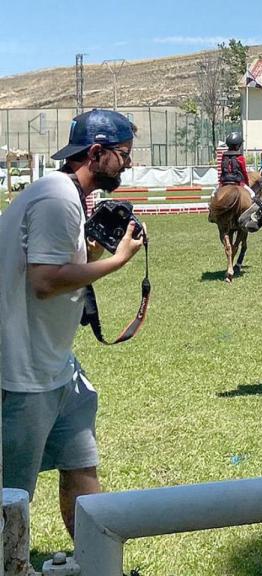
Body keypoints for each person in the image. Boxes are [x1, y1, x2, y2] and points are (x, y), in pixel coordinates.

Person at [0, 109, 147, 538]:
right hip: (25, 371)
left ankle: (94, 560)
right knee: (13, 493)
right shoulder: (57, 198)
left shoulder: (62, 194)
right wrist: (119, 262)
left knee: (81, 463)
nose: (129, 163)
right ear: (97, 153)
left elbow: (62, 265)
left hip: (57, 366)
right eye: (124, 154)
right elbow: (45, 281)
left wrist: (97, 246)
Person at [219, 132, 254, 199]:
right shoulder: (240, 157)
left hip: (224, 181)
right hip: (237, 181)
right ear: (238, 145)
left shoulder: (224, 156)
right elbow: (244, 172)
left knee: (213, 195)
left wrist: (221, 182)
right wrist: (246, 182)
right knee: (253, 194)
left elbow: (222, 169)